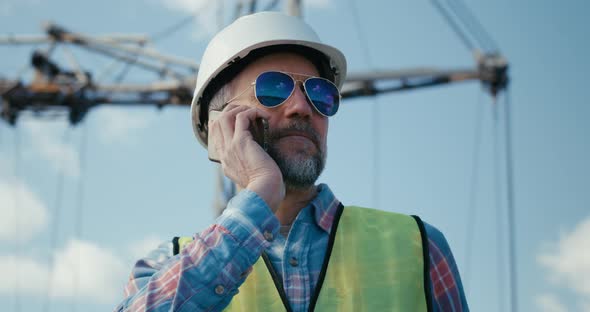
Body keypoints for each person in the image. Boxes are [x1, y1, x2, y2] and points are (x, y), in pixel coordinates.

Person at [115, 11, 468, 312]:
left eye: (319, 93)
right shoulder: (165, 264)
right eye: (273, 88)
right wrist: (259, 196)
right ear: (220, 124)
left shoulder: (420, 248)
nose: (301, 107)